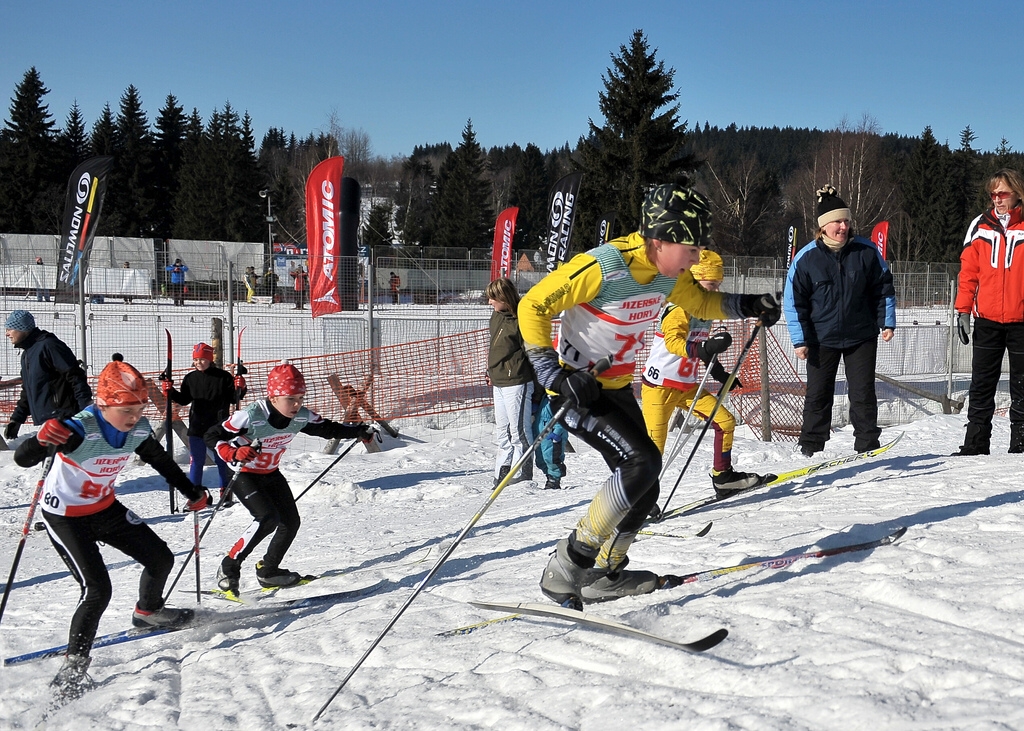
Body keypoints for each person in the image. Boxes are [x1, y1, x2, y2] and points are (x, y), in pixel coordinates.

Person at [519, 184, 781, 605]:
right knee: (641, 462)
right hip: (575, 390)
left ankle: (604, 572)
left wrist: (750, 304)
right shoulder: (604, 267)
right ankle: (567, 565)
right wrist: (553, 376)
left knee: (647, 485)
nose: (696, 258)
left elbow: (702, 303)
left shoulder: (667, 274)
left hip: (616, 388)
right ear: (658, 240)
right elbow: (532, 305)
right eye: (690, 247)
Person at [13, 357, 209, 701]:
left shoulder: (138, 430)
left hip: (105, 508)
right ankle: (74, 666)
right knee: (97, 589)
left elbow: (162, 462)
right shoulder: (78, 428)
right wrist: (41, 439)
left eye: (139, 409)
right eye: (126, 412)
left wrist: (192, 491)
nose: (133, 419)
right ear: (103, 405)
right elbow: (24, 458)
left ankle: (147, 612)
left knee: (160, 557)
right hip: (65, 516)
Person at [204, 362, 377, 593]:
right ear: (273, 397)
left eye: (300, 398)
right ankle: (229, 567)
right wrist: (232, 452)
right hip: (242, 472)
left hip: (270, 473)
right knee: (267, 518)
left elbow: (328, 429)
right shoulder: (251, 415)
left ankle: (269, 571)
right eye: (290, 399)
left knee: (290, 522)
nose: (297, 404)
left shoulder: (301, 416)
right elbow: (212, 435)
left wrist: (357, 430)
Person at [783, 185, 896, 457]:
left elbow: (884, 289)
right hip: (822, 340)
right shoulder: (806, 258)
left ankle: (868, 445)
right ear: (823, 226)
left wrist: (887, 322)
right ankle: (810, 446)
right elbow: (793, 302)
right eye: (837, 221)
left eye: (846, 221)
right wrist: (800, 340)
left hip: (861, 336)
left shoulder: (867, 252)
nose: (843, 227)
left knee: (863, 394)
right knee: (818, 395)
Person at [641, 249, 765, 495]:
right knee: (653, 449)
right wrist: (705, 347)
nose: (716, 291)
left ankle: (723, 477)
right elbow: (673, 344)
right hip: (659, 389)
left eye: (718, 285)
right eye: (711, 285)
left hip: (686, 387)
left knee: (726, 422)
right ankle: (640, 499)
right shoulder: (678, 308)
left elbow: (704, 350)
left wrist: (719, 373)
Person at [953, 168, 1024, 455]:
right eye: (993, 194)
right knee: (981, 384)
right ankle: (976, 443)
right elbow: (968, 272)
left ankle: (1020, 444)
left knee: (1022, 385)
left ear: (1017, 193)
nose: (996, 199)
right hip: (987, 320)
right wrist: (962, 310)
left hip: (1021, 322)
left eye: (1002, 193)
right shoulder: (979, 226)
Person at [161, 343, 247, 506]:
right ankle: (196, 495)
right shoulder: (190, 378)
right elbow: (184, 399)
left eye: (202, 359)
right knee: (197, 460)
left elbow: (233, 398)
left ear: (210, 359)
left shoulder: (223, 377)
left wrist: (241, 388)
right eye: (196, 359)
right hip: (197, 425)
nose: (198, 363)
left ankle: (225, 491)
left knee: (222, 460)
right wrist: (170, 391)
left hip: (219, 426)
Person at [4, 310, 92, 442]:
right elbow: (29, 391)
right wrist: (17, 419)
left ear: (23, 329)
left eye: (10, 328)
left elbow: (75, 376)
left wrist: (85, 410)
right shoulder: (27, 354)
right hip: (49, 421)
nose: (7, 334)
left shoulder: (49, 346)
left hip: (65, 418)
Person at [485, 278, 534, 486]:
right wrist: (490, 371)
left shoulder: (522, 318)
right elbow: (496, 348)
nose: (489, 302)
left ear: (504, 298)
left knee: (518, 431)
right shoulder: (496, 317)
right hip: (498, 380)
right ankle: (502, 470)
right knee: (502, 430)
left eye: (493, 298)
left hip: (517, 381)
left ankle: (523, 471)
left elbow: (531, 351)